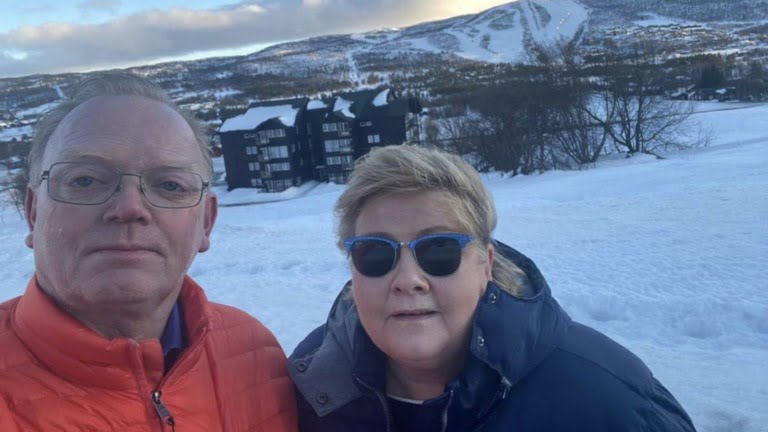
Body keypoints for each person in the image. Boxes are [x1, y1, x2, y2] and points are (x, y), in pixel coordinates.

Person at [289, 145, 696, 431]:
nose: (408, 280)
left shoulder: (611, 404)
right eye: (376, 254)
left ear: (485, 264)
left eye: (440, 251)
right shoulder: (314, 383)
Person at [0, 72, 298, 431]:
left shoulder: (256, 357)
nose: (129, 208)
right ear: (33, 212)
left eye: (170, 185)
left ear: (206, 222)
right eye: (85, 180)